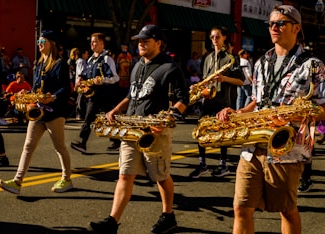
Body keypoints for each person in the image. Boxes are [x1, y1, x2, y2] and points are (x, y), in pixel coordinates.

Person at [216, 5, 325, 233]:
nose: (274, 27)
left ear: (296, 28)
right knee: (241, 207)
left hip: (286, 149)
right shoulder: (261, 62)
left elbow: (322, 107)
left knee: (286, 209)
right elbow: (256, 101)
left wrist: (292, 114)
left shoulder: (313, 65)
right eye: (271, 24)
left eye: (280, 23)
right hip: (252, 146)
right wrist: (237, 113)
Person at [88, 24, 188, 234]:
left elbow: (183, 99)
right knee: (125, 174)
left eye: (146, 40)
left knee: (160, 176)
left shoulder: (170, 67)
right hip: (132, 128)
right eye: (139, 40)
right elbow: (132, 95)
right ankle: (112, 222)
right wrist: (115, 110)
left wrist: (166, 119)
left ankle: (168, 215)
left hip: (155, 130)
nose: (140, 43)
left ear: (158, 43)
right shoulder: (136, 65)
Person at [0, 30, 73, 194]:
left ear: (51, 43)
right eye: (38, 42)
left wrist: (52, 97)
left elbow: (66, 89)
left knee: (59, 147)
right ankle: (17, 182)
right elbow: (37, 87)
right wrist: (28, 93)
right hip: (38, 111)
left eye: (42, 41)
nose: (39, 44)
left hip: (54, 112)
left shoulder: (60, 63)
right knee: (28, 146)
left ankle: (67, 179)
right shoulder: (38, 64)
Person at [189, 26, 243, 179]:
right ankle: (202, 164)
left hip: (222, 101)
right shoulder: (207, 58)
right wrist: (197, 86)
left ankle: (223, 165)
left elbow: (241, 81)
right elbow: (204, 78)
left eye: (217, 36)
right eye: (212, 37)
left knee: (222, 135)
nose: (214, 39)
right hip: (208, 101)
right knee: (201, 132)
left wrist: (225, 79)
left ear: (224, 37)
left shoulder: (231, 58)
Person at [70, 32, 120, 154]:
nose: (92, 44)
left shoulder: (107, 59)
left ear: (102, 44)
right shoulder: (91, 59)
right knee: (89, 118)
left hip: (106, 93)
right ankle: (83, 142)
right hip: (94, 94)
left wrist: (102, 80)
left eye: (95, 42)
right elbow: (87, 74)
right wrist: (81, 78)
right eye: (91, 42)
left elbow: (115, 77)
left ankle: (117, 141)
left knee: (108, 118)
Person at [75, 47, 90, 120]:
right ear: (83, 54)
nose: (88, 55)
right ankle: (79, 114)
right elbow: (81, 72)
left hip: (81, 81)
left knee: (81, 98)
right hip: (82, 82)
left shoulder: (81, 61)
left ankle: (80, 113)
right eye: (86, 53)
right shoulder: (81, 61)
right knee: (81, 98)